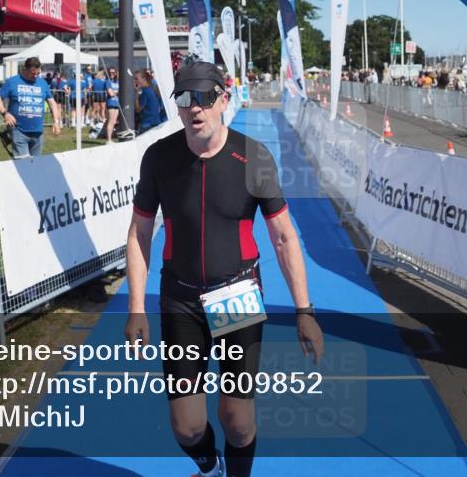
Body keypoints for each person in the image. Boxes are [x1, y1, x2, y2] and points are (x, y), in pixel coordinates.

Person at [125, 60, 323, 477]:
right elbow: (140, 233)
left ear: (223, 100)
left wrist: (304, 311)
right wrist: (136, 308)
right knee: (187, 426)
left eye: (203, 97)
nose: (194, 107)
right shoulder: (159, 157)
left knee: (237, 420)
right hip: (181, 299)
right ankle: (210, 467)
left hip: (237, 295)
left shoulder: (254, 156)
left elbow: (284, 237)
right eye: (184, 98)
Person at [0, 57, 62, 158]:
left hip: (38, 133)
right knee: (23, 164)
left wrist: (56, 122)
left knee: (36, 164)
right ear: (25, 69)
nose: (35, 76)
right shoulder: (12, 82)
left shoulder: (42, 83)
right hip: (18, 131)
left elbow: (52, 103)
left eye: (38, 73)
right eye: (33, 73)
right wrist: (5, 114)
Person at [134, 69, 163, 134]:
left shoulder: (145, 92)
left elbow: (138, 109)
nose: (135, 81)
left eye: (136, 79)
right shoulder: (150, 89)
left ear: (143, 79)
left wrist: (136, 94)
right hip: (155, 122)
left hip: (148, 124)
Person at [104, 66, 120, 142]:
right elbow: (111, 93)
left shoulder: (117, 82)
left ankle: (109, 138)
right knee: (110, 121)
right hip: (111, 103)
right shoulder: (107, 81)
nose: (111, 74)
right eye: (110, 72)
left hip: (117, 103)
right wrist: (117, 92)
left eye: (113, 72)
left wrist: (115, 92)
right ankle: (109, 140)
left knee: (113, 122)